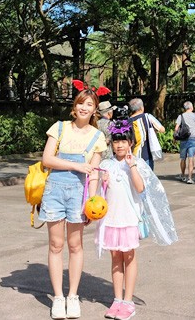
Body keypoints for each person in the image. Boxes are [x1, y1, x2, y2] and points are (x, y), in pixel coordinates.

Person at [40, 87, 107, 319]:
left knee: (75, 246)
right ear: (74, 106)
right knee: (55, 245)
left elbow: (95, 174)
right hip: (54, 192)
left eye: (89, 104)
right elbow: (47, 159)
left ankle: (73, 296)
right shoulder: (59, 128)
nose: (84, 108)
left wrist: (91, 201)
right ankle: (58, 297)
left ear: (95, 110)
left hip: (79, 196)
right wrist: (77, 166)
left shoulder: (98, 137)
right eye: (81, 103)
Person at [96, 118, 146, 320]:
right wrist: (104, 183)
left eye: (123, 141)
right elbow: (100, 195)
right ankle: (117, 299)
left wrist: (132, 166)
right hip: (111, 220)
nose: (119, 145)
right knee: (116, 259)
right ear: (111, 144)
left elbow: (140, 188)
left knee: (129, 258)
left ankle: (128, 301)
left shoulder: (136, 162)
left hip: (128, 219)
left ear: (130, 143)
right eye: (116, 141)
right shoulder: (106, 164)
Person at [128, 97, 165, 169]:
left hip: (134, 155)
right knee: (148, 178)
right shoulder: (147, 116)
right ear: (142, 108)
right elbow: (162, 129)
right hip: (146, 154)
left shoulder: (128, 121)